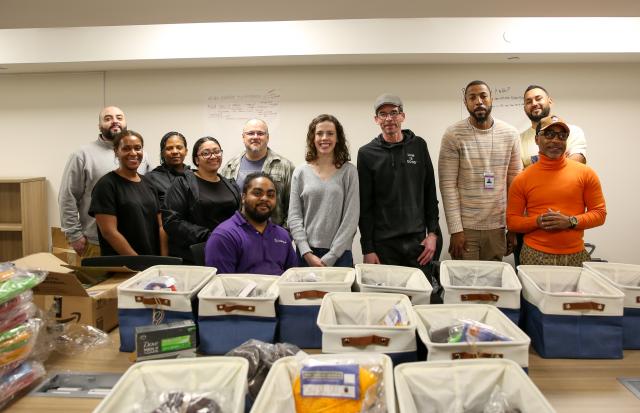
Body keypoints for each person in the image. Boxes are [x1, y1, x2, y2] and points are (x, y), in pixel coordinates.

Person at [439, 80, 522, 261]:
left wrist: (513, 228)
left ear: (491, 99)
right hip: (466, 229)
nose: (478, 101)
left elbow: (515, 185)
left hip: (497, 227)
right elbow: (448, 186)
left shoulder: (510, 134)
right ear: (466, 103)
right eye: (472, 97)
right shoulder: (453, 135)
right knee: (466, 284)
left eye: (483, 96)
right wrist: (455, 230)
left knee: (492, 285)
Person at [357, 93, 441, 273]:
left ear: (402, 116)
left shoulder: (419, 146)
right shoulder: (366, 154)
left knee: (419, 298)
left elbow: (430, 194)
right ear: (376, 119)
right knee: (387, 299)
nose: (389, 118)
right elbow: (365, 207)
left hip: (417, 244)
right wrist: (368, 248)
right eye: (383, 114)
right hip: (383, 246)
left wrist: (433, 234)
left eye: (394, 113)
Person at [507, 115, 606, 266]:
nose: (556, 140)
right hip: (534, 255)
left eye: (562, 136)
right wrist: (538, 221)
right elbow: (512, 222)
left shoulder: (586, 173)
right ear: (536, 140)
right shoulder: (522, 179)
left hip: (575, 255)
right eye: (549, 134)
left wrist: (570, 221)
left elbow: (600, 214)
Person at [58, 106, 150, 258]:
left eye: (119, 118)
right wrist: (74, 235)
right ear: (100, 126)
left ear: (125, 122)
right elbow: (67, 196)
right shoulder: (82, 155)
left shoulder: (141, 155)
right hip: (95, 242)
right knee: (98, 283)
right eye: (108, 119)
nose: (115, 121)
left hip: (135, 241)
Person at [288, 114, 359, 267]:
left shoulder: (349, 172)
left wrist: (331, 256)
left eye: (330, 133)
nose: (324, 138)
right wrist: (306, 253)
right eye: (319, 133)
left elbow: (351, 218)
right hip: (306, 255)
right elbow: (294, 217)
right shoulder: (300, 172)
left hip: (340, 255)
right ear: (313, 138)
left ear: (338, 138)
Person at [162, 137, 241, 263]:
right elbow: (172, 221)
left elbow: (239, 217)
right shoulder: (182, 183)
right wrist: (210, 235)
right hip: (196, 254)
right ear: (196, 160)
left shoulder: (230, 184)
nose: (213, 156)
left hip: (229, 250)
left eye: (217, 151)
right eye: (206, 153)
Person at [88, 131, 167, 256]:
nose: (133, 153)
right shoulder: (106, 185)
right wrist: (137, 262)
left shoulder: (149, 183)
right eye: (126, 148)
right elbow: (109, 232)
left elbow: (160, 226)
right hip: (124, 265)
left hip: (152, 261)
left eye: (137, 148)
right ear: (116, 151)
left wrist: (164, 259)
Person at [204, 172, 297, 275]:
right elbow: (223, 286)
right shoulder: (224, 236)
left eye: (270, 195)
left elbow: (292, 277)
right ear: (243, 197)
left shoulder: (283, 235)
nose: (265, 198)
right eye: (257, 193)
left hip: (279, 290)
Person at [220, 118, 294, 226]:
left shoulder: (285, 166)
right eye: (250, 133)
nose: (255, 137)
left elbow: (293, 208)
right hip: (237, 235)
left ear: (267, 137)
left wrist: (283, 235)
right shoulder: (229, 167)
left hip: (271, 236)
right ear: (243, 137)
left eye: (260, 133)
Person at [521, 85, 587, 167]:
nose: (534, 103)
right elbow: (519, 174)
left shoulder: (573, 131)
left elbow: (577, 162)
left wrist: (533, 168)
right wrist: (563, 162)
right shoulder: (519, 140)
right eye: (529, 102)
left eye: (538, 99)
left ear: (550, 102)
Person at [146, 131, 191, 204]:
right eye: (169, 148)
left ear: (186, 151)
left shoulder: (194, 176)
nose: (175, 151)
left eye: (179, 147)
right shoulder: (151, 178)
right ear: (162, 153)